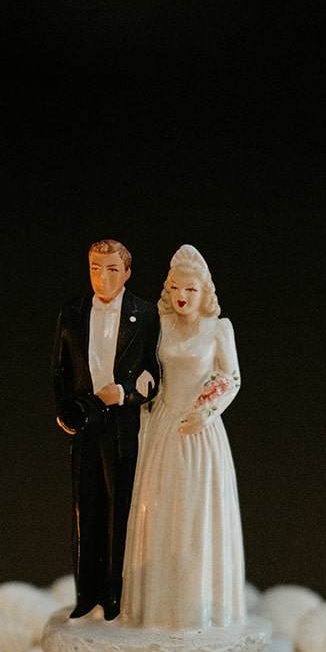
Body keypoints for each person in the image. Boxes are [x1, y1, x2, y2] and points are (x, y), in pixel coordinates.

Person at [121, 244, 245, 630]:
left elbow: (232, 377)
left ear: (203, 292)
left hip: (199, 433)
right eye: (176, 288)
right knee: (158, 511)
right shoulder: (157, 326)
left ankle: (197, 610)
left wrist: (204, 413)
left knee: (195, 514)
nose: (181, 297)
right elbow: (147, 369)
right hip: (162, 428)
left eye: (190, 290)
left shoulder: (218, 329)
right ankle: (158, 610)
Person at [52, 239, 160, 620]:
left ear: (127, 272)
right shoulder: (73, 311)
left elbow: (154, 372)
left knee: (120, 511)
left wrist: (127, 393)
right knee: (85, 510)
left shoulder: (145, 315)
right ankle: (86, 594)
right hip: (85, 424)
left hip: (122, 427)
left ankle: (115, 595)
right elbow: (60, 369)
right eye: (96, 269)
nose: (103, 277)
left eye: (112, 269)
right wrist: (65, 412)